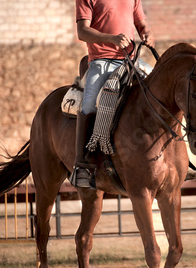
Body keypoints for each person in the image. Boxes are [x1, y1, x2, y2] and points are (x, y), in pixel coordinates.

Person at [70, 0, 155, 188]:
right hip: (101, 61)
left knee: (161, 90)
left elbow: (141, 24)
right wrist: (112, 39)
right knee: (89, 104)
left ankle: (179, 154)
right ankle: (82, 165)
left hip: (130, 60)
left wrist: (147, 34)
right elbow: (82, 31)